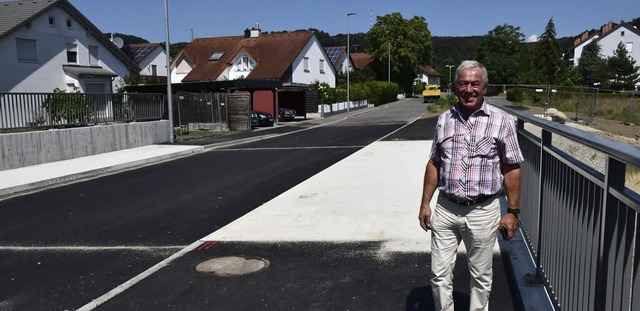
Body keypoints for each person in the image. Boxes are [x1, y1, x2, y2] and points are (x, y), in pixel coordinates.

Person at [418, 60, 523, 311]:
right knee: (439, 275)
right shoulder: (444, 120)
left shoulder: (502, 121)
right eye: (463, 83)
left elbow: (512, 168)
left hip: (482, 211)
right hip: (445, 207)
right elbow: (434, 163)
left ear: (484, 87)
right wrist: (425, 203)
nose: (468, 89)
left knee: (481, 276)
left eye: (475, 84)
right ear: (456, 87)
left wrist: (512, 212)